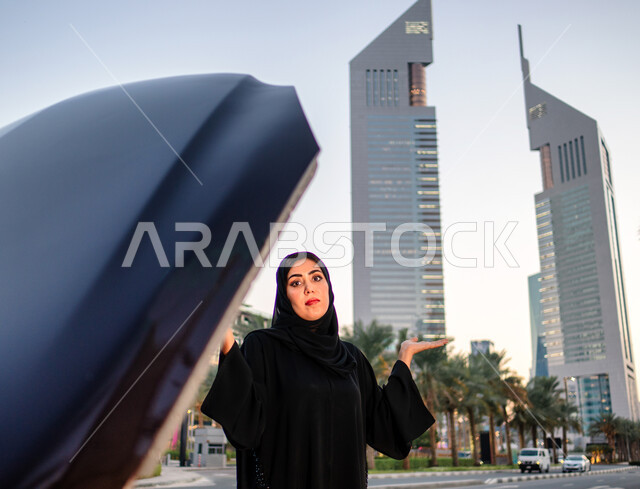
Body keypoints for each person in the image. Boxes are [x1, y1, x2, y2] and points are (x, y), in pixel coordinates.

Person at [201, 251, 447, 489]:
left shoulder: (351, 358)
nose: (309, 288)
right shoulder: (263, 346)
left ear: (328, 287)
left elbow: (384, 428)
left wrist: (404, 357)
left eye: (316, 278)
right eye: (296, 283)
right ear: (285, 296)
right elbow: (246, 425)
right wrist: (225, 338)